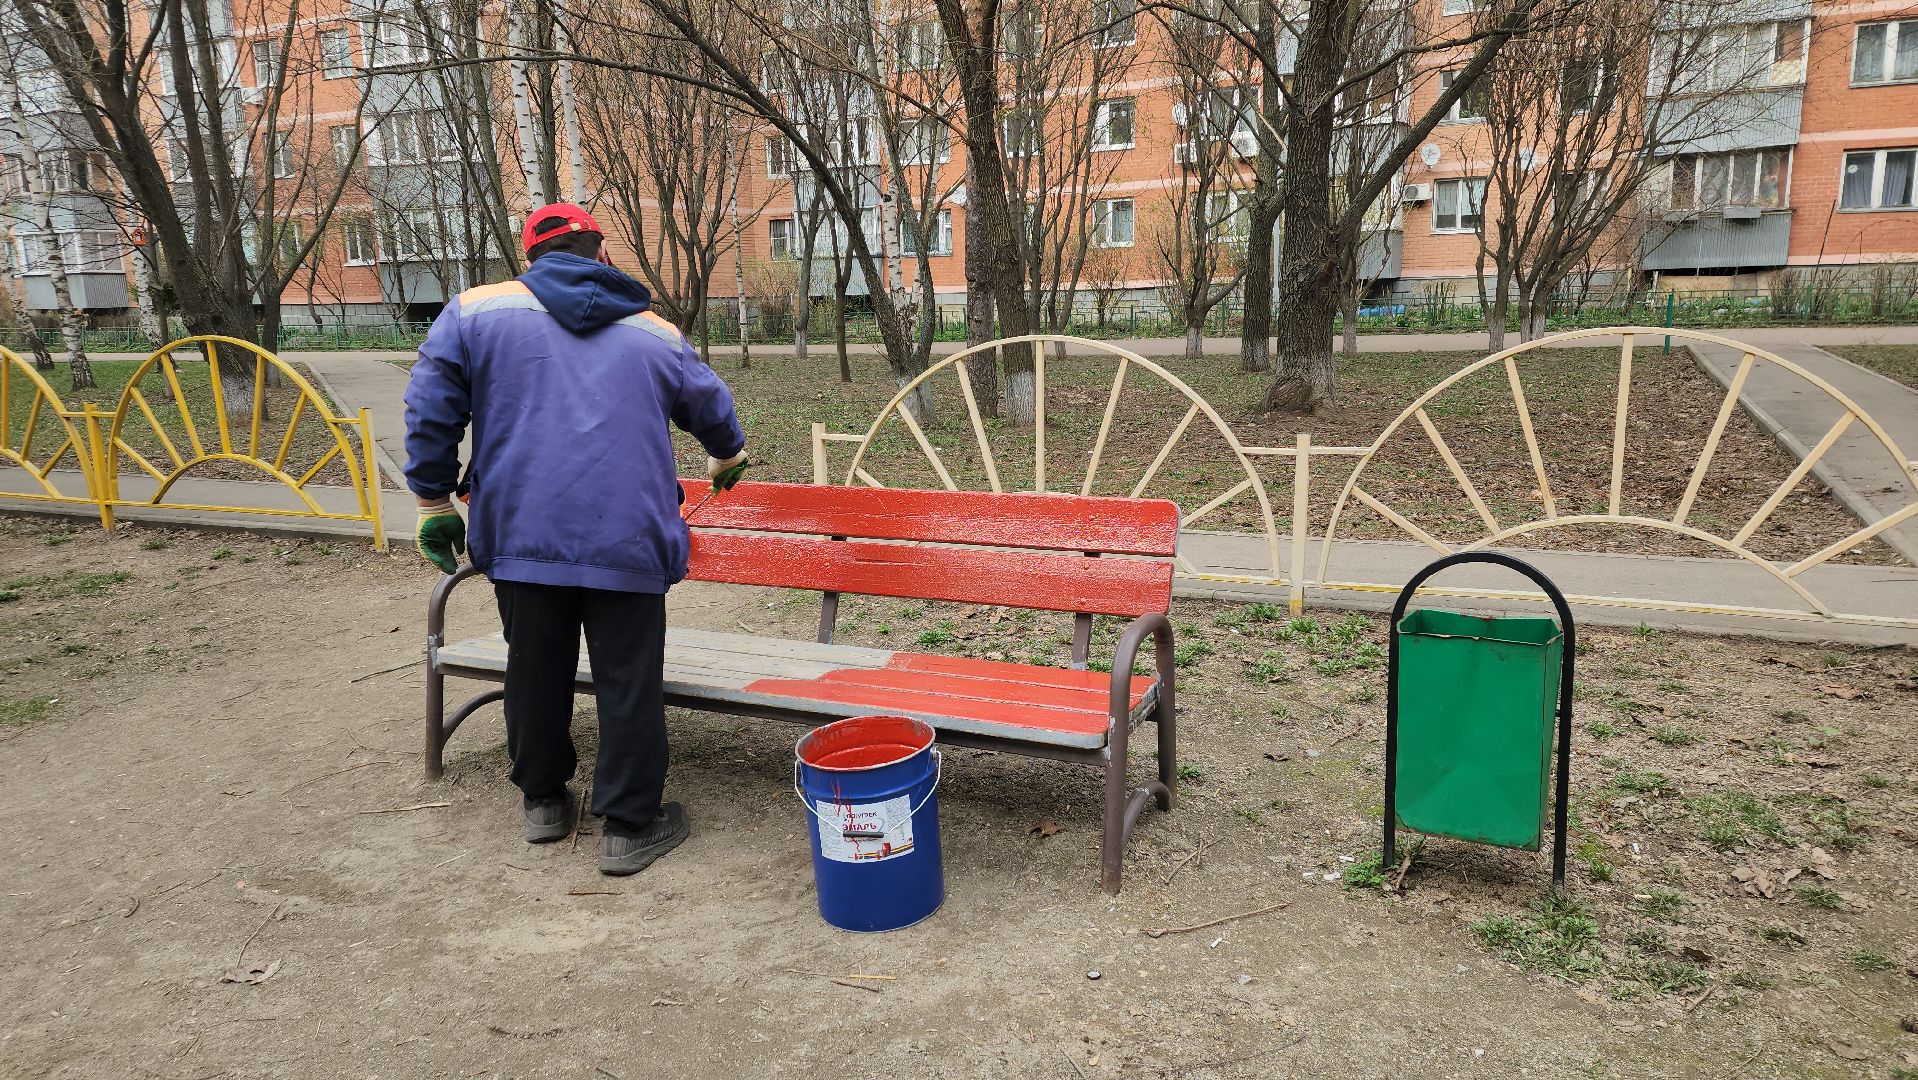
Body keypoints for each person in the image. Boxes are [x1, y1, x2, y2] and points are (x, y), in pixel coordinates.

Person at [402, 203, 747, 875]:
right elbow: (711, 406)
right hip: (629, 536)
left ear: (529, 256)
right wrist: (727, 454)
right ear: (602, 253)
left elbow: (430, 405)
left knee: (533, 666)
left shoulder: (474, 312)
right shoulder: (653, 330)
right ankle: (629, 826)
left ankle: (542, 802)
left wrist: (432, 499)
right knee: (628, 678)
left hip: (522, 529)